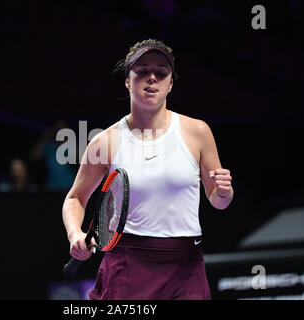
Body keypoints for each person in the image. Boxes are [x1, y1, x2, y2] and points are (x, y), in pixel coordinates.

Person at [62, 39, 233, 300]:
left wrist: (223, 192)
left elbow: (219, 202)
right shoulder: (105, 142)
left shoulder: (198, 132)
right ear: (128, 81)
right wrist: (75, 232)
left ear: (171, 84)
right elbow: (75, 197)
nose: (152, 78)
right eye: (142, 71)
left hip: (186, 266)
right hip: (128, 265)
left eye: (161, 72)